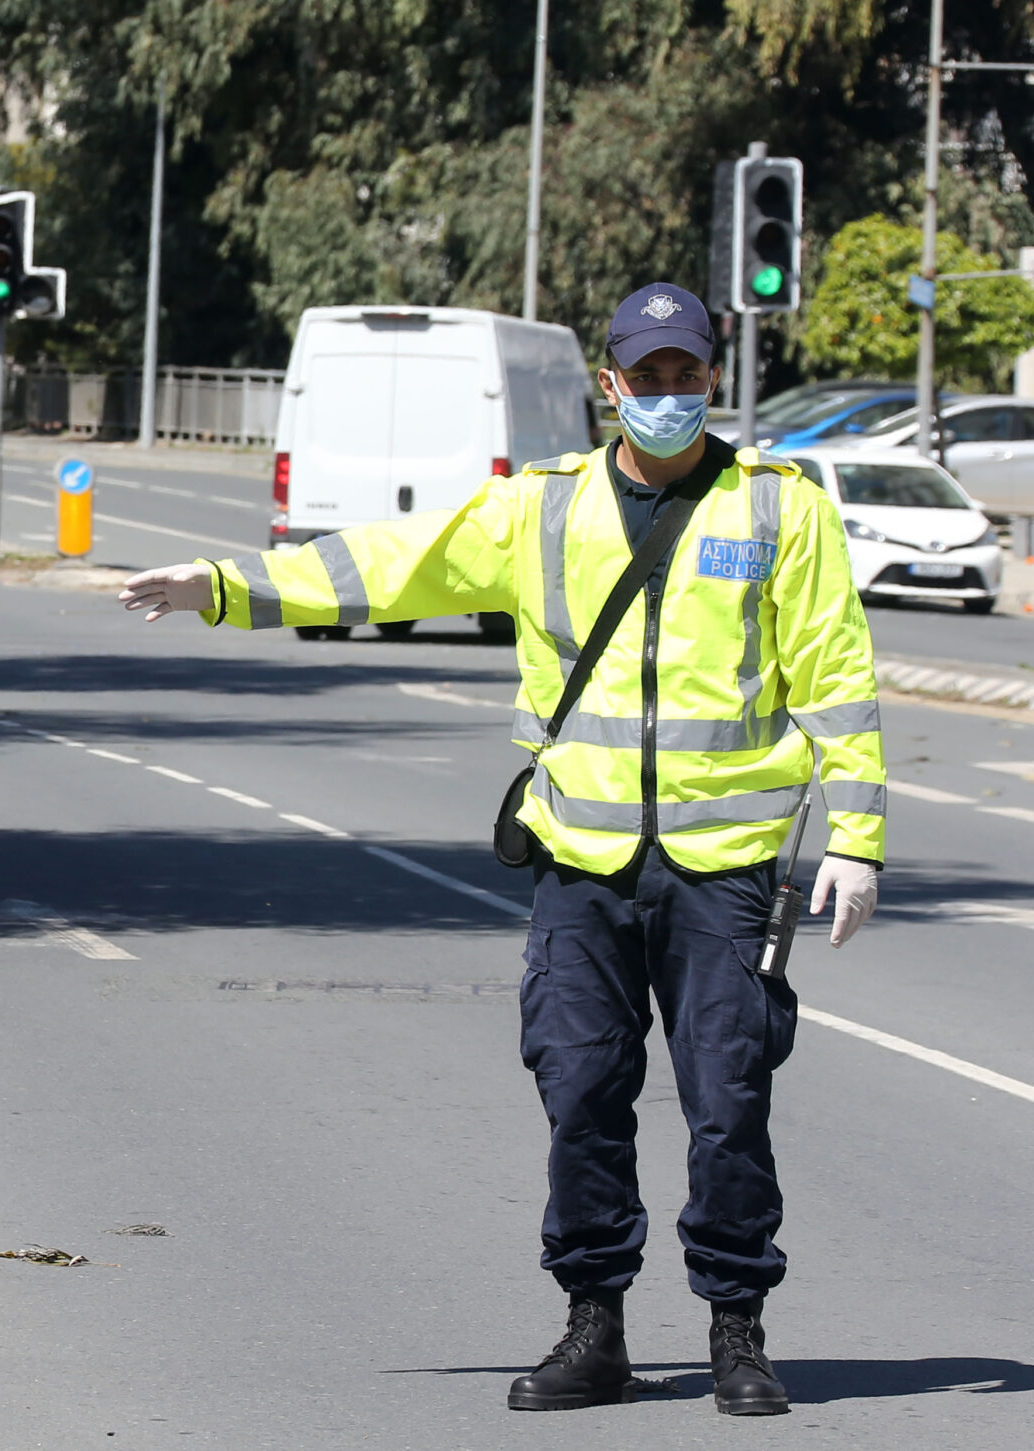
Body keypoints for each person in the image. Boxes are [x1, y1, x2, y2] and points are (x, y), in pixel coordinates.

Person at [117, 284, 885, 1417]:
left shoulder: (779, 509)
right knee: (579, 1091)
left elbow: (836, 675)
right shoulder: (541, 509)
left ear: (710, 378)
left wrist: (856, 841)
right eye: (645, 374)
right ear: (607, 385)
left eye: (685, 373)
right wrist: (226, 587)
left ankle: (736, 1327)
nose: (666, 393)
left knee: (726, 1102)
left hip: (724, 866)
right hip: (580, 861)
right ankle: (594, 1326)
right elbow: (385, 565)